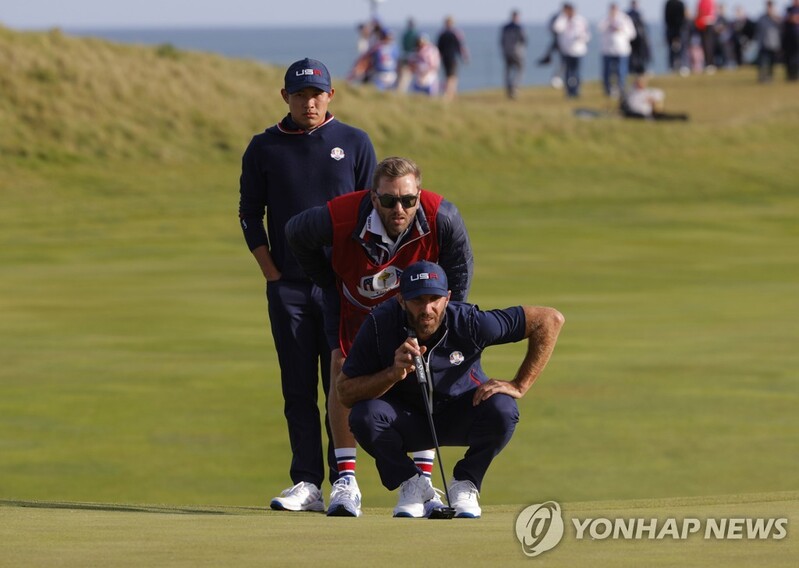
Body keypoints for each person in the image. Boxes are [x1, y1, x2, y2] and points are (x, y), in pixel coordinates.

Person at [285, 157, 474, 517]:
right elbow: (296, 233)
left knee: (423, 367)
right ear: (374, 198)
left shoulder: (442, 216)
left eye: (407, 199)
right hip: (355, 302)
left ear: (419, 195)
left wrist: (444, 322)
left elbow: (460, 271)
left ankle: (421, 484)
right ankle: (346, 482)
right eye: (388, 200)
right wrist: (329, 281)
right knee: (343, 369)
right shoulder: (340, 216)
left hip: (417, 303)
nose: (398, 208)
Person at [238, 58, 377, 513]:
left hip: (342, 288)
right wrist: (271, 273)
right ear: (285, 98)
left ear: (331, 96)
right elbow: (249, 214)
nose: (309, 102)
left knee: (341, 384)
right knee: (296, 387)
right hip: (289, 289)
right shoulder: (264, 147)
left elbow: (371, 215)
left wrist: (360, 280)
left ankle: (344, 482)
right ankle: (306, 481)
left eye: (317, 94)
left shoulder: (355, 143)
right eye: (300, 95)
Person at [338, 261, 565, 518]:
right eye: (417, 300)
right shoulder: (380, 324)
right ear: (401, 299)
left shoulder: (469, 322)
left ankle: (466, 483)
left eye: (434, 299)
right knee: (364, 415)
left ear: (447, 298)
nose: (427, 309)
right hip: (405, 421)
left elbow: (549, 320)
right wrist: (391, 374)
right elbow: (345, 392)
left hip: (460, 415)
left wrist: (519, 384)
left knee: (503, 408)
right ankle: (414, 484)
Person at [598, 3, 638, 98]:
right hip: (607, 50)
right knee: (607, 72)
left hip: (622, 50)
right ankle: (608, 90)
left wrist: (621, 30)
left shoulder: (625, 19)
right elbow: (599, 29)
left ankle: (621, 88)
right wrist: (609, 21)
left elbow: (632, 34)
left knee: (621, 71)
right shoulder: (606, 19)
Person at [552, 3, 592, 98]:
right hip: (566, 50)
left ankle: (576, 90)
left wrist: (582, 38)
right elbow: (556, 28)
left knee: (577, 72)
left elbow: (587, 35)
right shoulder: (562, 20)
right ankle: (569, 91)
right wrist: (564, 17)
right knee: (568, 72)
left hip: (578, 50)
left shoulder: (581, 20)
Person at [621, 75, 690, 120]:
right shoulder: (632, 94)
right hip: (641, 115)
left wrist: (651, 99)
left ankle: (682, 117)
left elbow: (660, 93)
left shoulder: (646, 91)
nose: (644, 84)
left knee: (666, 115)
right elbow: (634, 107)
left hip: (651, 114)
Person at [436, 15, 470, 101]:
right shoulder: (456, 33)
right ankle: (449, 94)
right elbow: (461, 46)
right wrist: (465, 56)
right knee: (452, 76)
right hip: (452, 57)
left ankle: (452, 93)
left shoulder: (441, 33)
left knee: (449, 75)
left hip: (445, 57)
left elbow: (438, 48)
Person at [500, 10, 528, 99]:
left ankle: (509, 87)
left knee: (508, 71)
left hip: (506, 52)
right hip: (517, 52)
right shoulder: (519, 27)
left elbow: (501, 41)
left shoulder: (505, 27)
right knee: (520, 70)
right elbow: (524, 39)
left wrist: (504, 50)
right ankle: (514, 88)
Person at [755, 0, 782, 83]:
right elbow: (758, 31)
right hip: (763, 45)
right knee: (763, 63)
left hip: (773, 45)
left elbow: (781, 29)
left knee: (772, 63)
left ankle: (770, 77)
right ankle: (762, 78)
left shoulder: (777, 19)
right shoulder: (761, 18)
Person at [627, 0, 652, 75]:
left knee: (640, 55)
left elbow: (644, 27)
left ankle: (640, 69)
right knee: (633, 55)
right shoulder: (629, 14)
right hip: (632, 39)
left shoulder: (639, 14)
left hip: (640, 39)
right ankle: (634, 69)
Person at [665, 0, 687, 72]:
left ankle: (673, 66)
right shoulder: (679, 4)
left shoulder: (669, 3)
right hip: (677, 31)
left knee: (674, 50)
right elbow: (683, 19)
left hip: (672, 30)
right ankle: (679, 66)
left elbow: (666, 18)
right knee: (679, 50)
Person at [784, 0, 799, 81]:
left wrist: (794, 18)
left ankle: (796, 75)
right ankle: (790, 76)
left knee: (797, 58)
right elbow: (787, 19)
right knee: (790, 58)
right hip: (789, 39)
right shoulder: (789, 9)